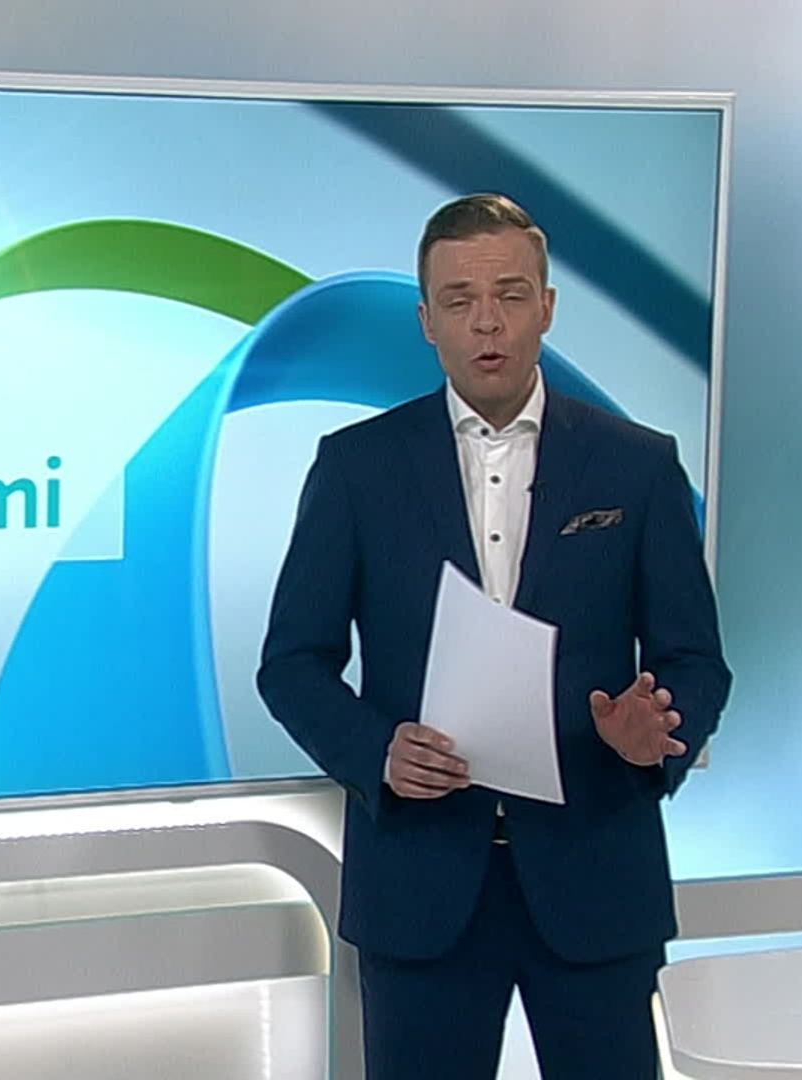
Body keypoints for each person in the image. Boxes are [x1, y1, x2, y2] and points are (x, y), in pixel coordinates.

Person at [256, 193, 730, 1079]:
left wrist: (655, 735)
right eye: (460, 300)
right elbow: (292, 664)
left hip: (596, 877)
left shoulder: (637, 464)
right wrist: (377, 751)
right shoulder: (357, 468)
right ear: (426, 321)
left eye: (510, 296)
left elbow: (696, 660)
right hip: (422, 885)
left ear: (546, 307)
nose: (487, 322)